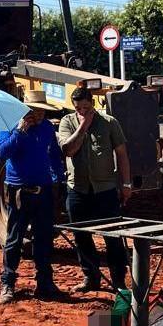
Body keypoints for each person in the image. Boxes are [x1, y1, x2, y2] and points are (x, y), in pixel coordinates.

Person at [0, 90, 67, 304]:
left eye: (43, 111)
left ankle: (44, 282)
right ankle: (7, 282)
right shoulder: (10, 126)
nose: (39, 114)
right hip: (19, 191)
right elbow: (2, 153)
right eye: (35, 111)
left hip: (44, 189)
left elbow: (53, 153)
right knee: (15, 239)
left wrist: (58, 176)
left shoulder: (46, 128)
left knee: (44, 237)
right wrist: (19, 132)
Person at [58, 87, 131, 292]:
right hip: (77, 189)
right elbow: (68, 150)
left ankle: (118, 280)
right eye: (79, 108)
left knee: (113, 237)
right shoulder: (67, 122)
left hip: (105, 189)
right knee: (81, 236)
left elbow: (122, 154)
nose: (82, 111)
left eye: (86, 108)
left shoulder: (109, 123)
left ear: (93, 103)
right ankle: (91, 277)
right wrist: (83, 127)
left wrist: (126, 184)